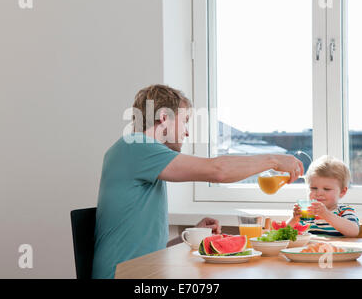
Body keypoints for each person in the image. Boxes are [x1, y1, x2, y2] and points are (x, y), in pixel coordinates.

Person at [92, 84, 304, 279]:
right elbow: (218, 171)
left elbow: (146, 250)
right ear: (164, 117)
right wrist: (274, 160)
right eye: (184, 121)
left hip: (140, 272)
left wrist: (192, 233)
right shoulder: (136, 146)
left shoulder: (139, 153)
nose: (186, 131)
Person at [286, 155, 360, 237]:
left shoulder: (344, 211)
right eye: (314, 188)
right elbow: (282, 235)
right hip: (310, 249)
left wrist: (326, 214)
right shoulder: (306, 214)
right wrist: (294, 219)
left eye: (326, 189)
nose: (319, 193)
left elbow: (354, 232)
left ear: (342, 192)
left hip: (337, 249)